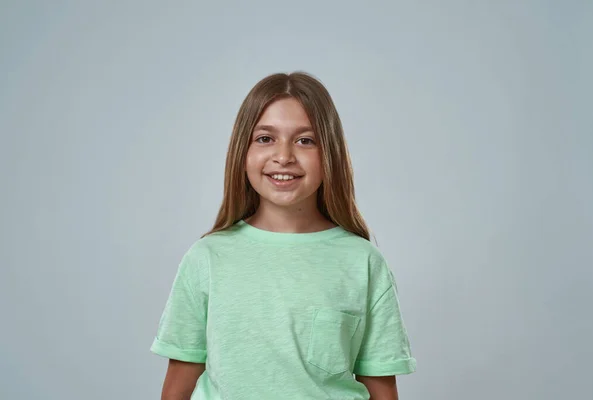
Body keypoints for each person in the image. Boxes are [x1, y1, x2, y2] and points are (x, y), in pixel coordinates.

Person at [150, 71, 417, 400]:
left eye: (305, 140)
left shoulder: (363, 262)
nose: (284, 156)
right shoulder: (206, 258)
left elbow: (381, 388)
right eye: (265, 138)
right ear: (242, 152)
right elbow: (179, 380)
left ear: (329, 153)